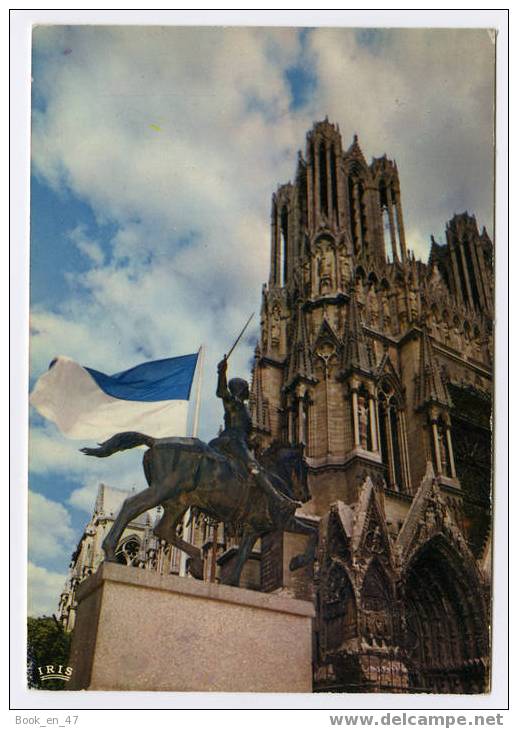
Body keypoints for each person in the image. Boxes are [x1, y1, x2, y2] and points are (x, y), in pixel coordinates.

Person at [209, 356, 300, 519]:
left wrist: (253, 441)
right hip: (233, 440)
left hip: (241, 441)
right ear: (239, 389)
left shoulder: (244, 408)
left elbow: (246, 431)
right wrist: (221, 372)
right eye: (245, 387)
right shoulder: (234, 403)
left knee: (254, 471)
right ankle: (278, 499)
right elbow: (221, 392)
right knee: (255, 467)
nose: (248, 390)